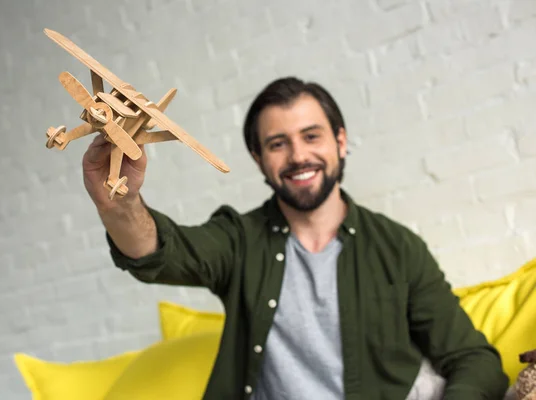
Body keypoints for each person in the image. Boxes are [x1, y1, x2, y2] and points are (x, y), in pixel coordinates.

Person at [82, 77, 509, 399]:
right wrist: (119, 202)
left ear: (340, 142)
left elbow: (474, 359)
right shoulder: (239, 239)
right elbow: (161, 253)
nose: (299, 156)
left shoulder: (397, 247)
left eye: (311, 136)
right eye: (278, 144)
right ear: (259, 159)